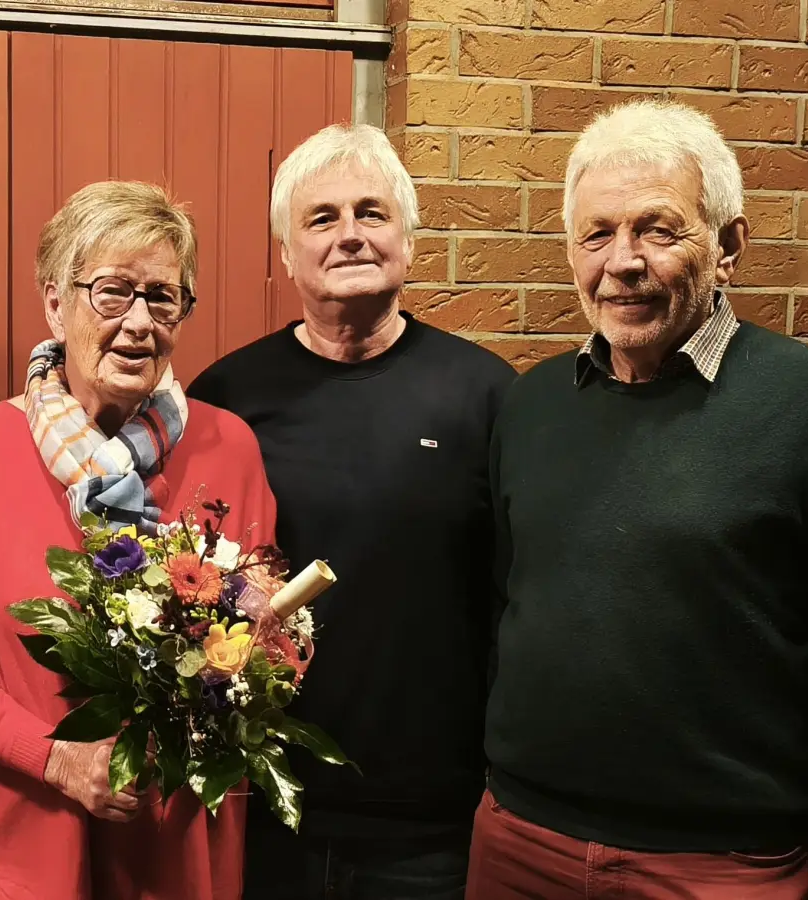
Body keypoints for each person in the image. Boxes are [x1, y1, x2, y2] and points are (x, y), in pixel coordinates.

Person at [469, 99, 808, 899]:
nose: (622, 261)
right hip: (523, 840)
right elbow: (506, 604)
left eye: (657, 230)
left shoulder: (806, 406)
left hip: (720, 863)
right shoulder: (531, 406)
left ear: (728, 246)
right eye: (597, 234)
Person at [0, 180, 277, 899]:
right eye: (112, 292)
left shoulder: (230, 447)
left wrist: (247, 666)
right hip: (23, 841)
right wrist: (57, 760)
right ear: (54, 302)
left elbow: (273, 636)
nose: (139, 323)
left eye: (163, 297)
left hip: (176, 844)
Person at [187, 123, 513, 899]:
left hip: (430, 823)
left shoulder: (488, 395)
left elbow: (517, 598)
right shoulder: (229, 397)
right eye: (322, 218)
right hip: (265, 805)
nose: (350, 235)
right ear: (286, 251)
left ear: (408, 238)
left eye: (372, 212)